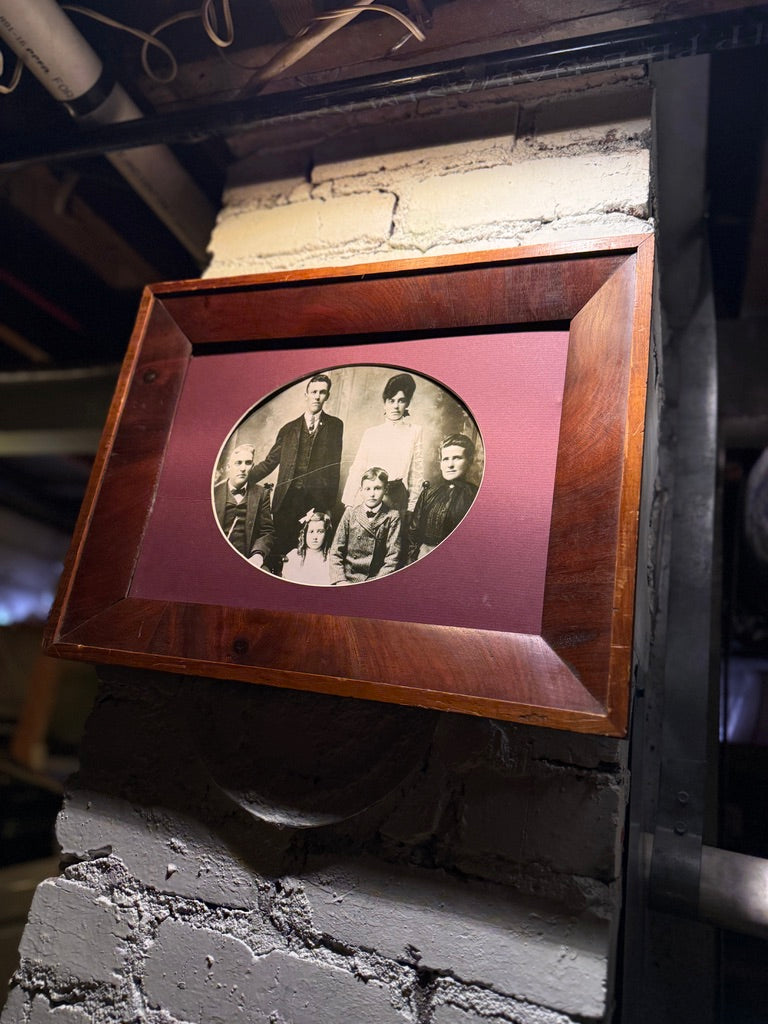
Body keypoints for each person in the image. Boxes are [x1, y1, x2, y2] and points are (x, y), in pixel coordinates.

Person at [249, 373, 343, 571]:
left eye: (322, 393)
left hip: (315, 503)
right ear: (306, 394)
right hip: (286, 502)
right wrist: (243, 479)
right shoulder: (288, 429)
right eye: (314, 392)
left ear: (327, 396)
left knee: (310, 551)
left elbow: (335, 468)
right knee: (281, 549)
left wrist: (328, 506)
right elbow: (269, 462)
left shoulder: (335, 426)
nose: (317, 396)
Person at [341, 372, 424, 517]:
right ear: (385, 403)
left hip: (397, 498)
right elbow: (358, 468)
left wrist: (412, 508)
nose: (396, 406)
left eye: (401, 401)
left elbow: (416, 473)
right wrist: (349, 502)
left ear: (407, 403)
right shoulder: (371, 433)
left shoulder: (414, 431)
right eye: (391, 401)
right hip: (370, 495)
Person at [407, 434, 478, 563]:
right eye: (445, 459)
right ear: (440, 464)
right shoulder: (428, 493)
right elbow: (413, 534)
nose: (450, 464)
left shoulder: (475, 496)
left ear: (469, 461)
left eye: (457, 458)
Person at [330, 467, 401, 585]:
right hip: (347, 578)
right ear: (361, 491)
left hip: (375, 579)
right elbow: (335, 552)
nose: (372, 494)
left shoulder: (392, 516)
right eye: (367, 489)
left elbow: (393, 558)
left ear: (386, 489)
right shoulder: (350, 513)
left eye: (377, 488)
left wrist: (377, 582)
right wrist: (340, 580)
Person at [213, 443, 275, 567]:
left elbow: (267, 532)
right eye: (238, 463)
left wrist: (258, 555)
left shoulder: (262, 494)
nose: (243, 468)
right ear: (228, 467)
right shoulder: (214, 492)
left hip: (249, 559)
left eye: (247, 463)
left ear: (252, 467)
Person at [282, 509, 333, 586]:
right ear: (305, 534)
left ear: (326, 534)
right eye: (311, 531)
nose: (315, 537)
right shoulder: (293, 556)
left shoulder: (331, 557)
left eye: (320, 532)